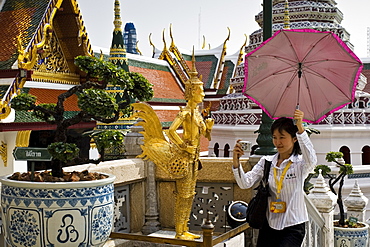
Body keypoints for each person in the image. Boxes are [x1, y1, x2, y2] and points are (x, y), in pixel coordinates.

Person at [232, 109, 317, 247]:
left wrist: (300, 127)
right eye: (274, 137)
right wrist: (236, 162)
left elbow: (312, 160)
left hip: (293, 226)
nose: (277, 142)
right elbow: (245, 183)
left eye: (282, 137)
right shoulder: (266, 162)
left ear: (294, 138)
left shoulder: (300, 164)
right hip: (269, 224)